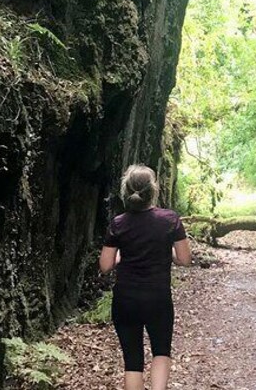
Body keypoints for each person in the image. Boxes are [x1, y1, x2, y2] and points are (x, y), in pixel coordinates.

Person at [99, 164, 191, 390]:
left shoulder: (118, 223)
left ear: (126, 192)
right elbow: (185, 259)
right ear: (153, 190)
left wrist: (123, 254)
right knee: (161, 351)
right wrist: (165, 251)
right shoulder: (170, 219)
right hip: (158, 298)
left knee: (132, 362)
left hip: (126, 299)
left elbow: (105, 266)